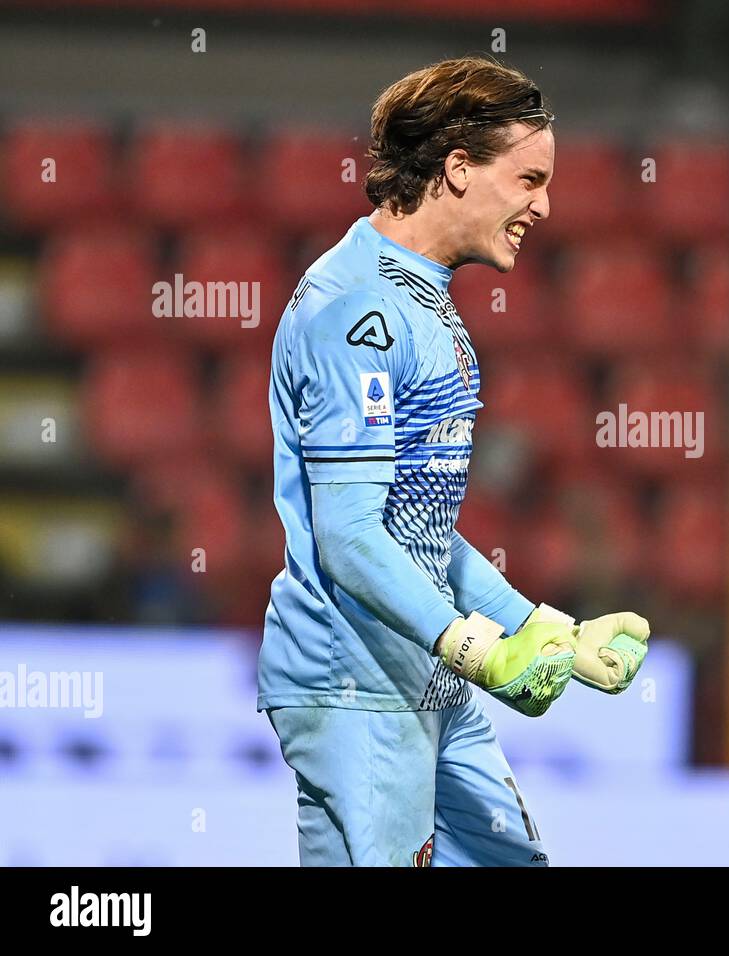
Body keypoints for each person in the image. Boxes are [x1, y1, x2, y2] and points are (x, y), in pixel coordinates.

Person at [257, 56, 651, 866]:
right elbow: (352, 535)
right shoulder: (357, 310)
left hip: (423, 670)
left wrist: (547, 633)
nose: (545, 205)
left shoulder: (421, 298)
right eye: (530, 178)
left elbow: (418, 533)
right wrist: (477, 649)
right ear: (459, 169)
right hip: (357, 683)